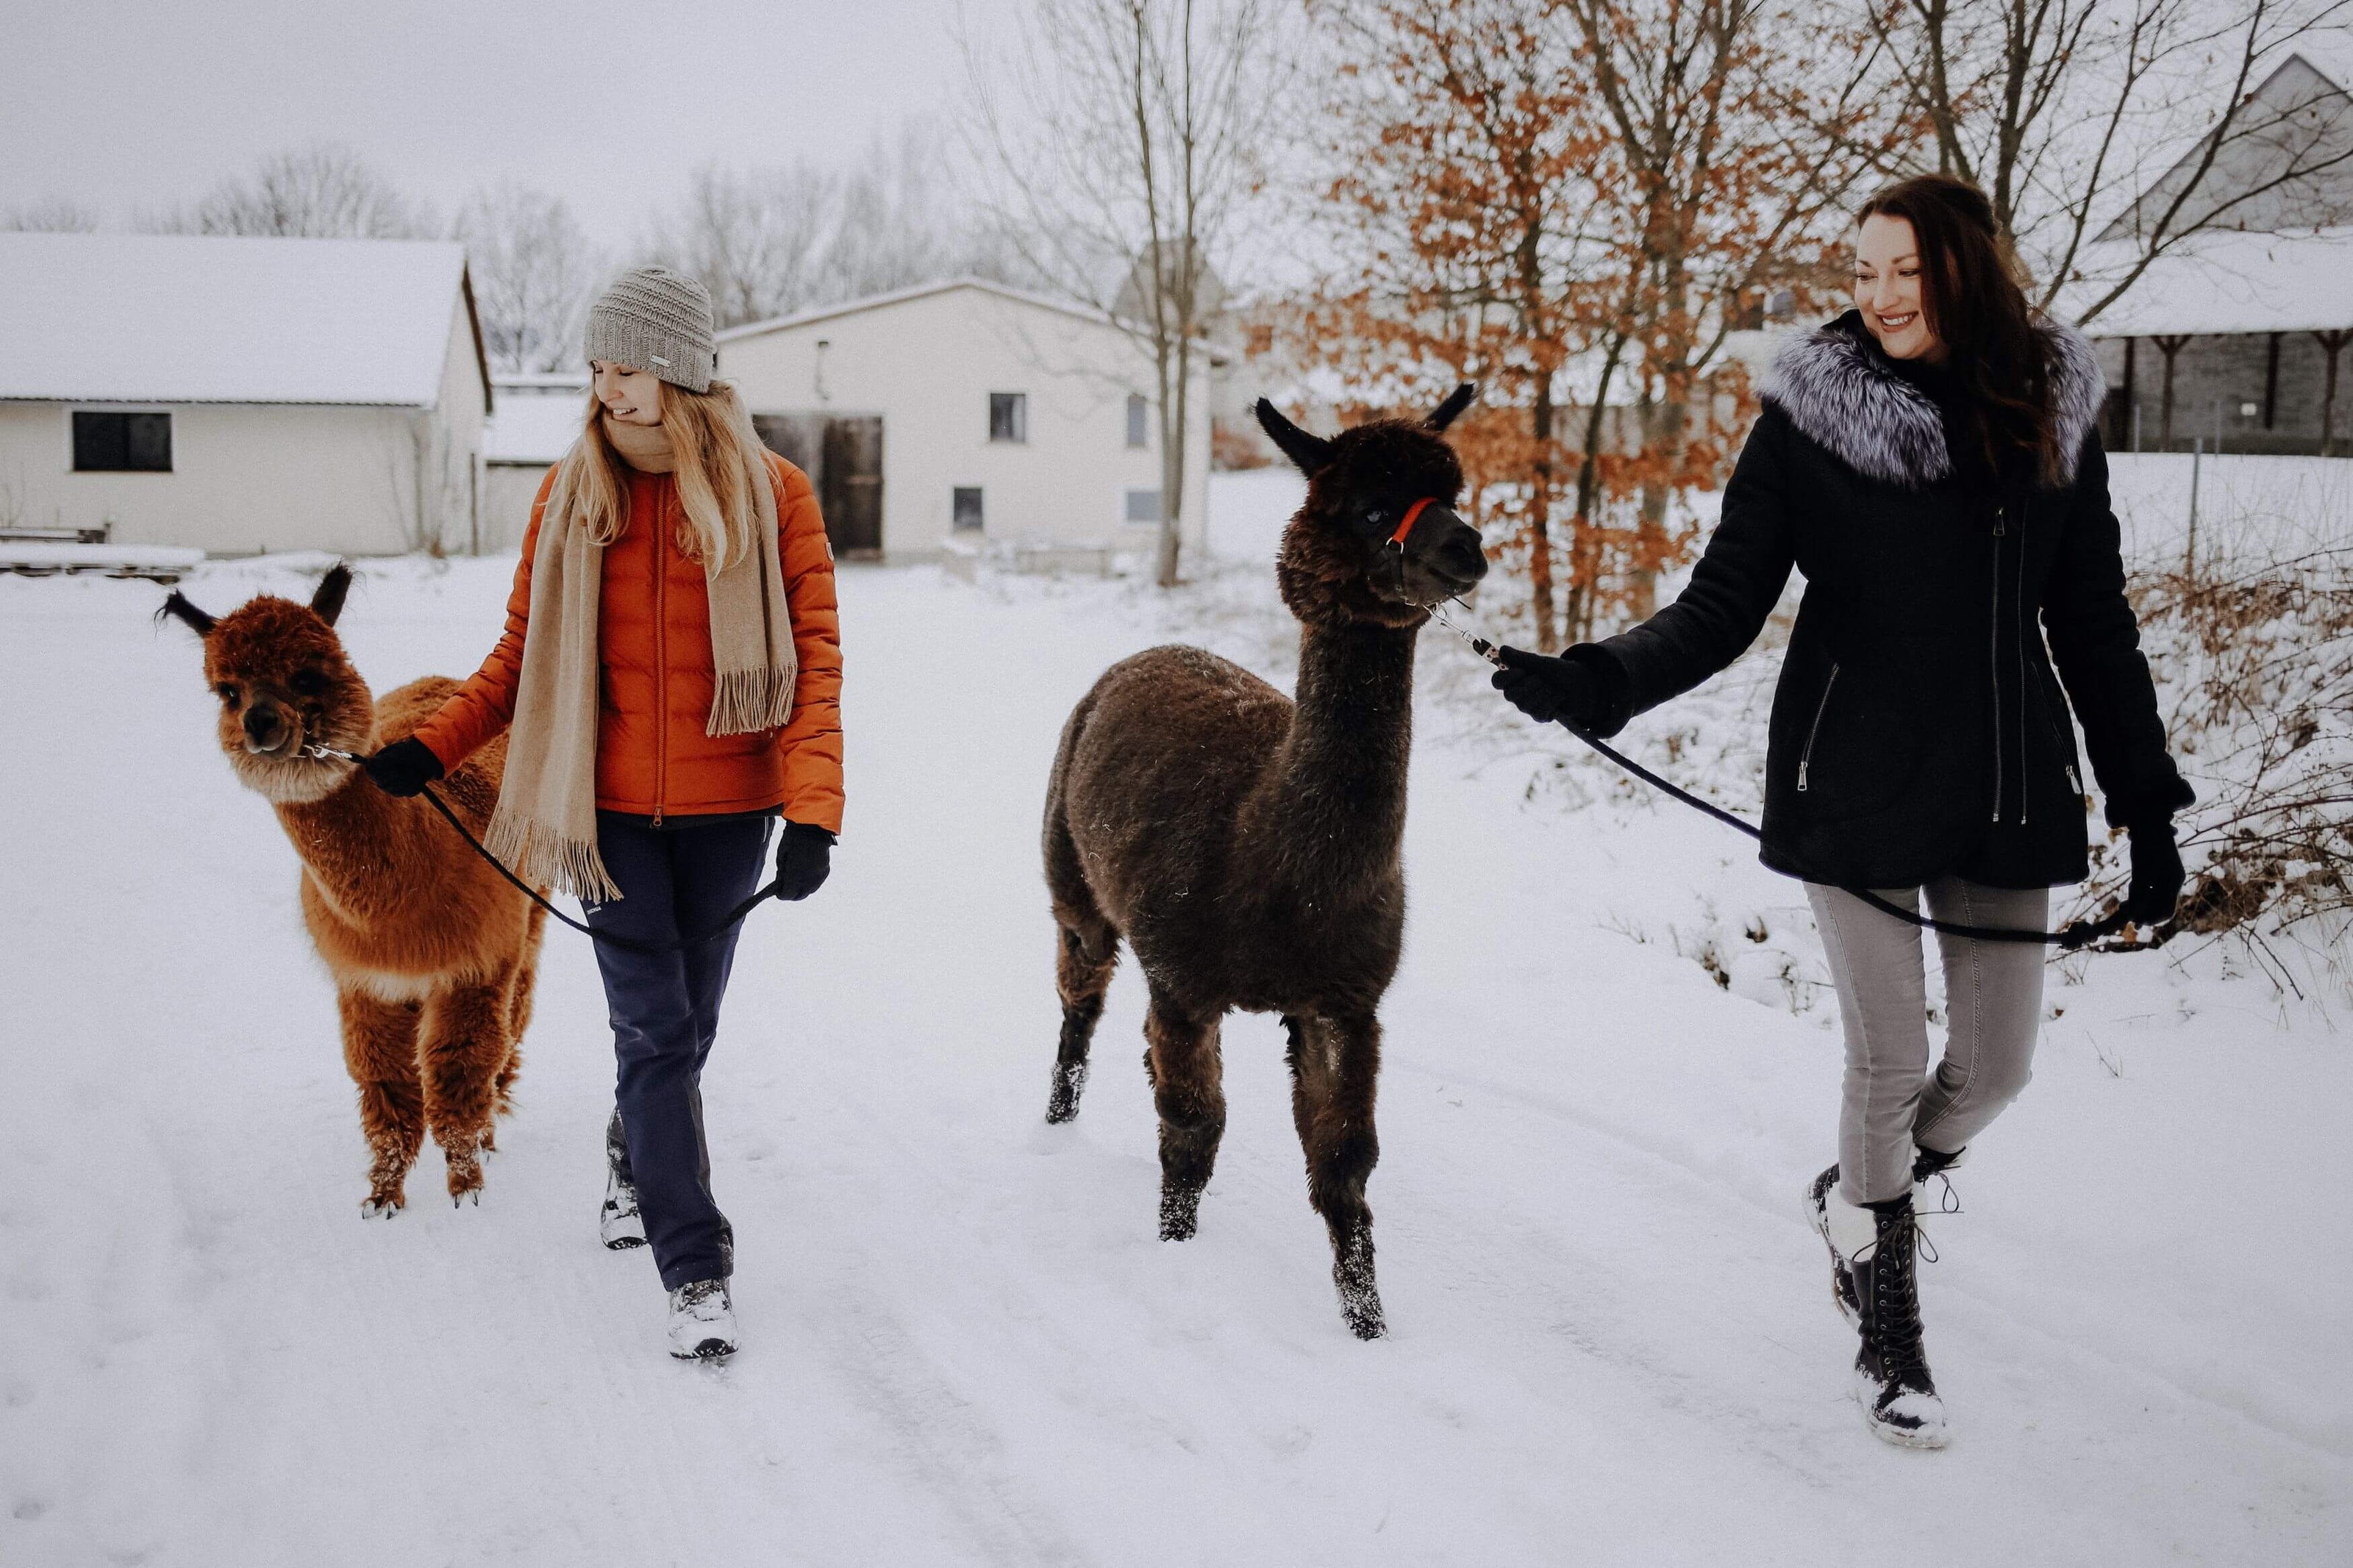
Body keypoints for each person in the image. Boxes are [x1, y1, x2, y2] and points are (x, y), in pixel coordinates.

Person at [1490, 174, 2189, 1447]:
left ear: (1969, 270)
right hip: (1851, 776)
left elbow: (2094, 622)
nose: (1878, 298)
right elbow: (1721, 604)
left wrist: (2146, 806)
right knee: (1888, 1062)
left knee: (1995, 1070)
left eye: (1907, 273)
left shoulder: (2051, 417)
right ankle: (1890, 1317)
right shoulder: (1809, 421)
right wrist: (1600, 676)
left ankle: (1862, 1198)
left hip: (2003, 780)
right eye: (1862, 272)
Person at [362, 267, 844, 1361]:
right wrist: (430, 746)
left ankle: (637, 1152)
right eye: (596, 369)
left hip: (735, 815)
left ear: (678, 372)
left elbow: (814, 667)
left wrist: (813, 811)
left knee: (690, 1030)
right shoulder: (571, 495)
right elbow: (516, 660)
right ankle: (698, 1269)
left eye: (625, 369)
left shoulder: (778, 497)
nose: (604, 390)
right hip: (610, 814)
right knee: (655, 1029)